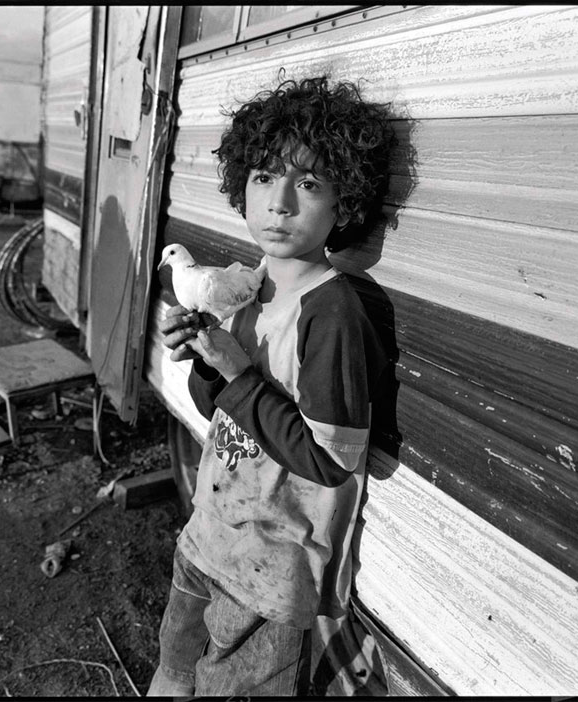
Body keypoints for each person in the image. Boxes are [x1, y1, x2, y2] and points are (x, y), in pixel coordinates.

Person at [148, 75, 392, 697]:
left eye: (308, 184)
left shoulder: (333, 311)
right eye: (263, 177)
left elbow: (329, 461)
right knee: (173, 676)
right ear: (241, 189)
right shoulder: (248, 284)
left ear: (347, 204)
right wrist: (206, 358)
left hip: (272, 571)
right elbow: (217, 411)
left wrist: (236, 371)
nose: (280, 202)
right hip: (206, 535)